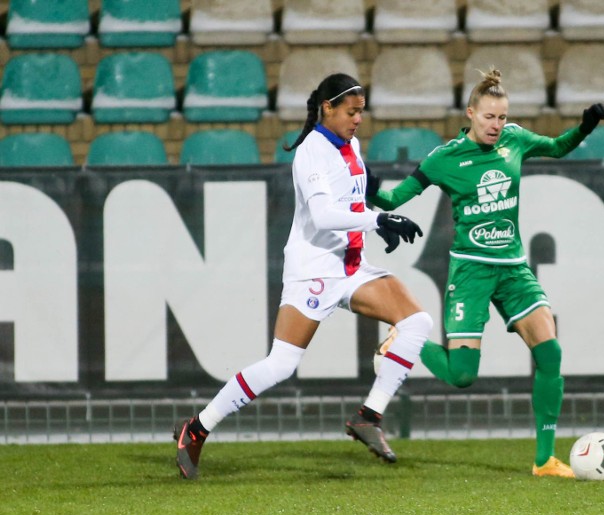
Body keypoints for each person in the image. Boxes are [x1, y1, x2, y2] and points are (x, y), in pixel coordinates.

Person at [173, 73, 433, 479]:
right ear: (327, 108)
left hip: (349, 266)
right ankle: (198, 427)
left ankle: (368, 416)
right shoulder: (312, 151)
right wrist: (378, 218)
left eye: (362, 112)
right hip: (314, 270)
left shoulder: (350, 144)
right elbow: (323, 215)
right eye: (351, 111)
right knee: (281, 364)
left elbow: (351, 196)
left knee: (417, 321)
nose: (358, 119)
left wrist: (374, 212)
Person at [367, 68, 604, 479]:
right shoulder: (445, 158)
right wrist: (368, 186)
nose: (497, 125)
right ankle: (400, 342)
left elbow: (557, 147)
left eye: (502, 117)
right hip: (472, 270)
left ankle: (544, 460)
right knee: (462, 375)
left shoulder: (515, 139)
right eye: (489, 117)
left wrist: (585, 126)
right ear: (471, 113)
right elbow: (394, 197)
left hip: (513, 267)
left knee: (550, 353)